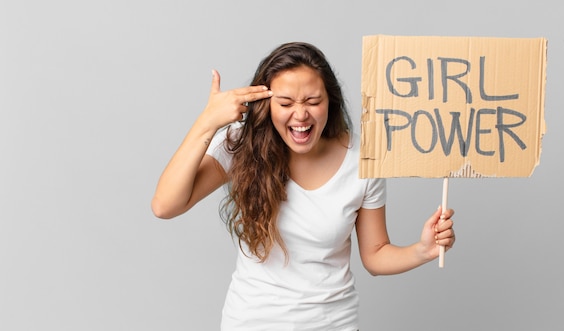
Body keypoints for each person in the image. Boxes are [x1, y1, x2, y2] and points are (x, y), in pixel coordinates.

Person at [151, 42, 455, 331]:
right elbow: (165, 205)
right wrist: (207, 122)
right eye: (285, 103)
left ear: (330, 102)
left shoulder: (362, 162)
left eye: (312, 101)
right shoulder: (242, 147)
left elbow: (375, 255)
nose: (300, 115)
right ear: (266, 105)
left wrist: (422, 250)